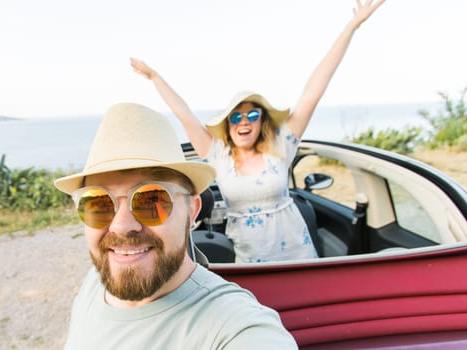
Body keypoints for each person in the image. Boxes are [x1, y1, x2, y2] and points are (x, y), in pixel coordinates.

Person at [131, 0, 385, 263]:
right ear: (228, 125)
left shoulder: (281, 146)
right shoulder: (218, 155)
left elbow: (312, 92)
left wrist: (351, 27)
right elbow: (184, 114)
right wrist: (155, 77)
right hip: (251, 263)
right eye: (236, 116)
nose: (245, 121)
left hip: (299, 257)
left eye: (253, 114)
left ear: (262, 121)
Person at [54, 103, 297, 349]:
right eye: (98, 202)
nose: (121, 226)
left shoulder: (235, 328)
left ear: (191, 212)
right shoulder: (95, 281)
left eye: (152, 200)